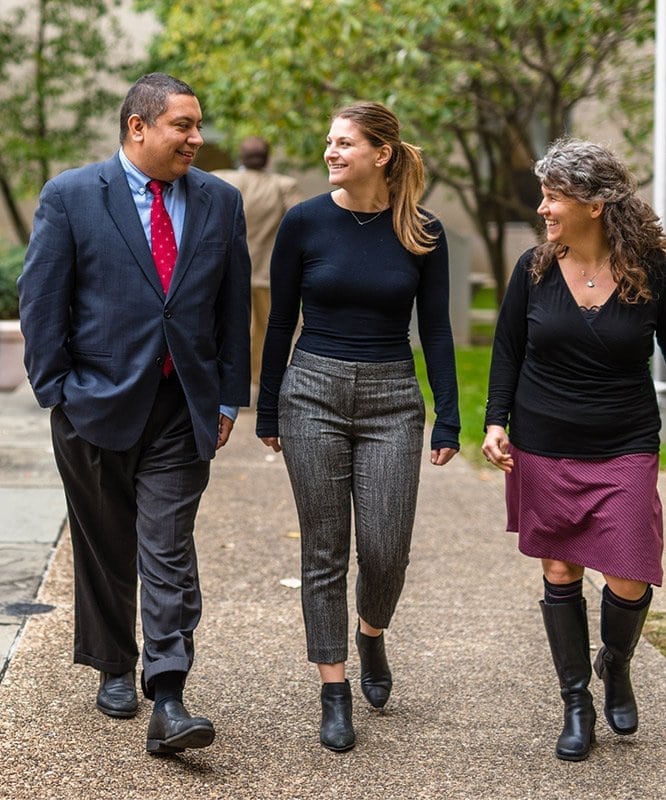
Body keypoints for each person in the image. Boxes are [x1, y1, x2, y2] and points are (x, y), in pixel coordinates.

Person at [18, 73, 251, 755]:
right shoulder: (71, 195)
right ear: (138, 126)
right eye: (184, 125)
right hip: (93, 403)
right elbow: (42, 300)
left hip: (183, 406)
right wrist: (57, 392)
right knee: (106, 544)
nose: (197, 138)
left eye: (198, 124)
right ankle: (114, 662)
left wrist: (227, 396)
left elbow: (233, 306)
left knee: (168, 546)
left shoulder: (220, 201)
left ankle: (169, 691)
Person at [482, 138, 666, 762]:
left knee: (629, 572)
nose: (543, 208)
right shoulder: (533, 269)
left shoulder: (650, 269)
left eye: (553, 197)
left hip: (624, 442)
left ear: (594, 204)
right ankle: (575, 702)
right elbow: (506, 350)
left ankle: (615, 662)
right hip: (543, 441)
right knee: (560, 570)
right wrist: (495, 421)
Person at [256, 102, 460, 752]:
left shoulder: (422, 230)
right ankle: (334, 690)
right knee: (323, 549)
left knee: (385, 549)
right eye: (329, 141)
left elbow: (436, 328)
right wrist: (267, 406)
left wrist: (449, 414)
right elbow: (279, 321)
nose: (330, 152)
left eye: (344, 142)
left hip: (392, 398)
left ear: (382, 153)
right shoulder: (303, 222)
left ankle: (371, 634)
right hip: (311, 391)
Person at [213, 137, 301, 387]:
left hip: (226, 274)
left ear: (240, 156)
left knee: (227, 331)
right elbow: (300, 223)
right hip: (267, 274)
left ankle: (231, 384)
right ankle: (258, 386)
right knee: (266, 334)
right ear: (267, 158)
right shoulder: (284, 185)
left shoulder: (221, 179)